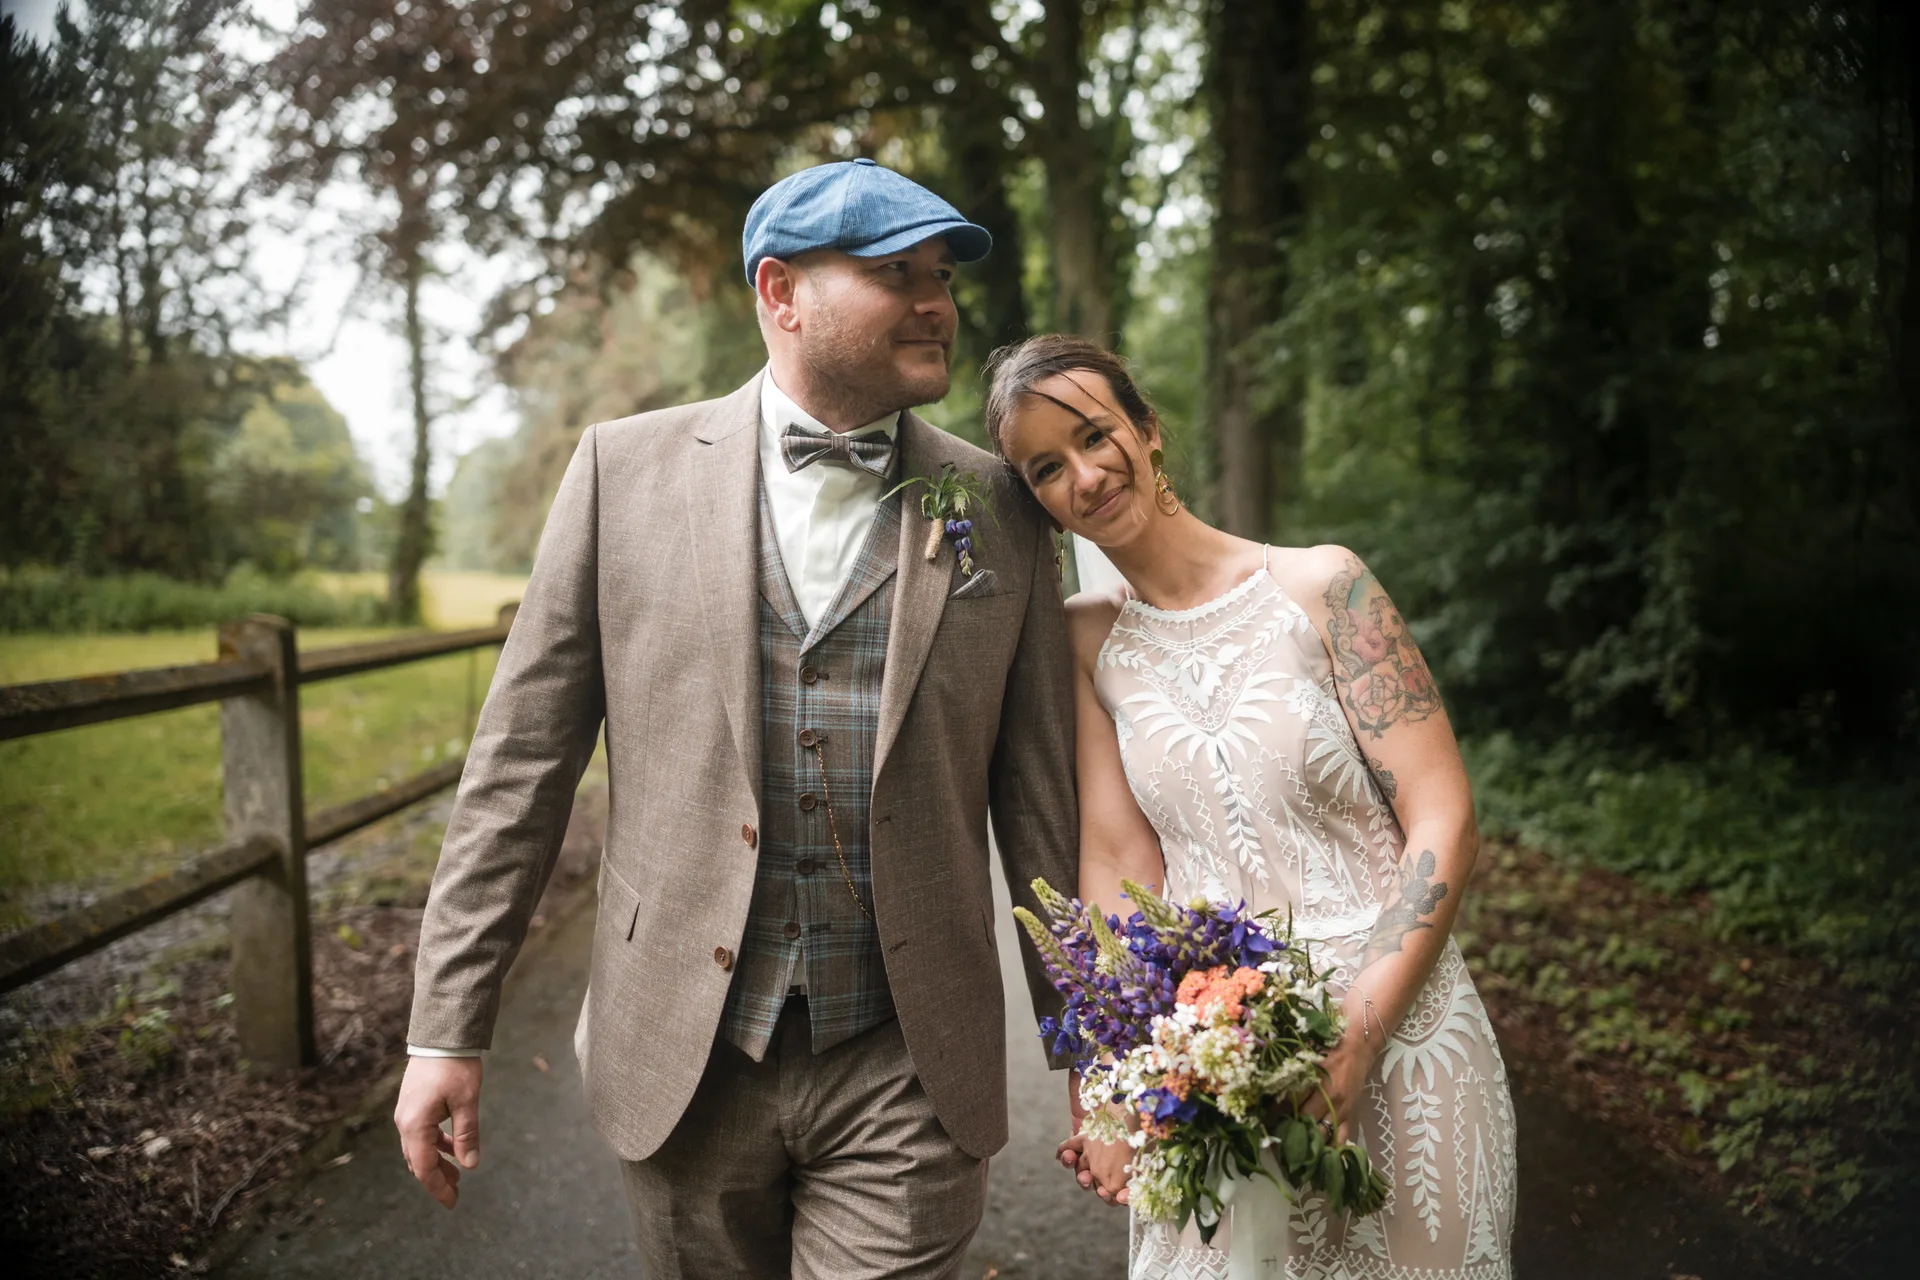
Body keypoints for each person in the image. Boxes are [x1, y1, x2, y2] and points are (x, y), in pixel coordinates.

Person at [393, 159, 1079, 1279]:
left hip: (909, 1059)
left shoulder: (1002, 506)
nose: (936, 303)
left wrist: (1090, 1040)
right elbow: (519, 768)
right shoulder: (622, 474)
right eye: (896, 273)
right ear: (780, 291)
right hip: (684, 1051)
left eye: (944, 277)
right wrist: (445, 1026)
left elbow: (1042, 799)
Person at [984, 334, 1516, 1279]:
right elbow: (1117, 865)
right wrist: (1110, 1083)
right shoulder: (1086, 641)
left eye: (1095, 435)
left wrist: (1357, 1037)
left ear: (1148, 429)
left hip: (1405, 1038)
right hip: (1213, 1066)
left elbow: (1446, 822)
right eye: (1047, 469)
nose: (1085, 476)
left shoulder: (1323, 587)